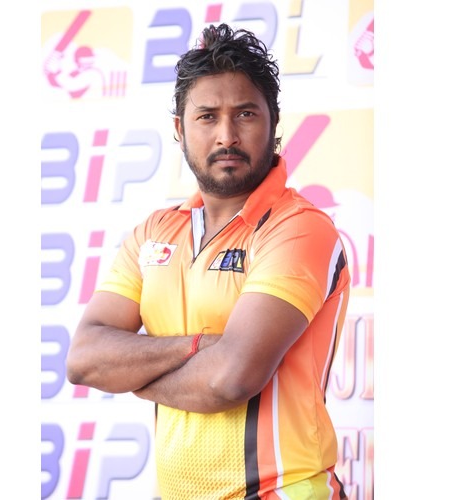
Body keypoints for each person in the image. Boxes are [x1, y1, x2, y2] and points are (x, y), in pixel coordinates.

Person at [66, 23, 351, 500]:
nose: (226, 135)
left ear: (274, 124)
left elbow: (230, 379)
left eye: (245, 114)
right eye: (206, 116)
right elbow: (84, 359)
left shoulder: (299, 227)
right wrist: (201, 346)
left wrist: (133, 376)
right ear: (180, 129)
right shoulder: (154, 232)